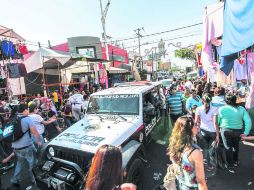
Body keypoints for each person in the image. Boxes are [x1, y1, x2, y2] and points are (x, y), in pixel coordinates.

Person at [168, 116, 208, 190]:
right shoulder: (195, 153)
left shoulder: (174, 143)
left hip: (180, 184)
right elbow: (201, 182)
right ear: (189, 130)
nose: (197, 126)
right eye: (195, 125)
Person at [218, 94, 252, 173]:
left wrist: (219, 127)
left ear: (226, 100)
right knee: (236, 145)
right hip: (238, 131)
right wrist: (246, 133)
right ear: (235, 100)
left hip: (225, 130)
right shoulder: (241, 109)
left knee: (228, 147)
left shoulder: (221, 109)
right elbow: (248, 121)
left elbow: (218, 121)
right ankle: (236, 161)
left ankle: (230, 165)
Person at [11, 103, 41, 187]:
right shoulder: (27, 119)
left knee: (20, 163)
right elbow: (34, 132)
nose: (28, 110)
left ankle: (14, 179)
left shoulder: (13, 118)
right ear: (24, 110)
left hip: (15, 146)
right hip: (26, 146)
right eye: (27, 109)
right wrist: (38, 141)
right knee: (32, 163)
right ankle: (34, 179)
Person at [195, 93, 220, 171]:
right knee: (210, 149)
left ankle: (206, 163)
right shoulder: (215, 109)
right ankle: (209, 163)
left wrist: (197, 131)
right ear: (211, 100)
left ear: (202, 100)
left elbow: (196, 122)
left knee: (204, 148)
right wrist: (218, 135)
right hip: (212, 132)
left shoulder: (198, 109)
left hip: (203, 131)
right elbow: (215, 123)